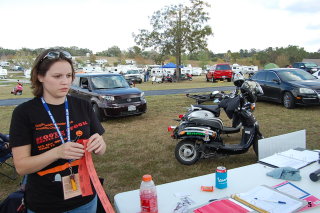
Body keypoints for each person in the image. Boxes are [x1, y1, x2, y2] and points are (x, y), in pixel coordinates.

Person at [9, 49, 106, 213]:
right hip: (45, 203)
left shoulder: (82, 105)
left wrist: (100, 145)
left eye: (69, 76)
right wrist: (57, 153)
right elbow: (21, 167)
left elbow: (101, 150)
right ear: (40, 77)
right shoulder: (24, 113)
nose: (65, 82)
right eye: (57, 76)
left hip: (85, 199)